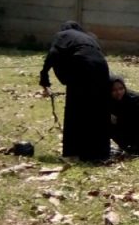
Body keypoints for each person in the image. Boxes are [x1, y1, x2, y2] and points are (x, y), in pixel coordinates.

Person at [39, 21, 111, 161]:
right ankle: (100, 154)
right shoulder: (89, 37)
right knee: (98, 111)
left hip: (81, 67)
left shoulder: (63, 35)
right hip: (102, 68)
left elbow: (54, 53)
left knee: (75, 111)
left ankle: (73, 154)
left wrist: (44, 77)